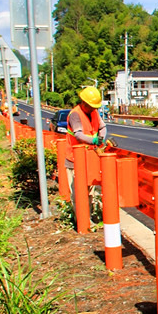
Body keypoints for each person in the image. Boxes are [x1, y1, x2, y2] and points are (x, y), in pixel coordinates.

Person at [65, 86, 107, 218]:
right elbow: (78, 135)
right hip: (75, 159)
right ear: (83, 103)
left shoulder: (94, 112)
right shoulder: (75, 115)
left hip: (90, 157)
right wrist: (93, 140)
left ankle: (87, 218)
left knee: (90, 191)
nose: (94, 109)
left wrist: (101, 138)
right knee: (78, 192)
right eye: (91, 106)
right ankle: (81, 220)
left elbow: (102, 126)